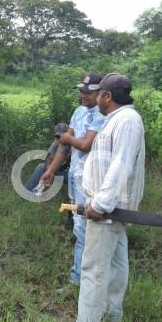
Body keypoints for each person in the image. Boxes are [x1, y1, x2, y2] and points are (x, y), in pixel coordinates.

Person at [56, 73, 145, 322]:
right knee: (117, 265)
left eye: (99, 93)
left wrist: (100, 204)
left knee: (93, 268)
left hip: (107, 209)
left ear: (107, 95)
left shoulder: (127, 121)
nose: (93, 98)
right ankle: (112, 318)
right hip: (110, 207)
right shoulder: (117, 120)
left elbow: (120, 165)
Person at [40, 74, 106, 287]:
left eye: (89, 91)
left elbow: (85, 144)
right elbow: (64, 146)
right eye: (82, 91)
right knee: (79, 225)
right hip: (76, 177)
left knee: (88, 228)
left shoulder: (103, 114)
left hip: (92, 180)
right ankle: (79, 276)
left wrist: (68, 139)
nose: (83, 95)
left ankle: (81, 278)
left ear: (101, 93)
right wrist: (51, 170)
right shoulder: (78, 112)